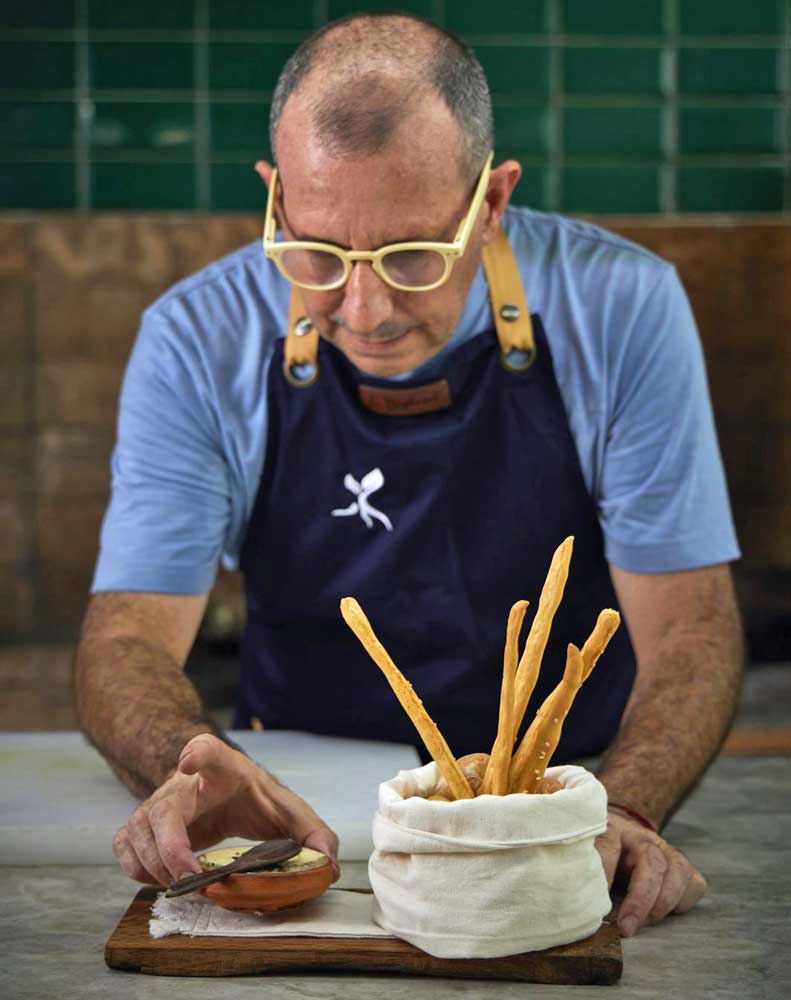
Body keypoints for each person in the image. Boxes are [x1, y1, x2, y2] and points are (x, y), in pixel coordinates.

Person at [74, 13, 744, 939]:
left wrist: (624, 809)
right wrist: (188, 761)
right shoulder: (194, 339)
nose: (365, 309)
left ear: (492, 201)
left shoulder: (622, 308)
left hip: (563, 803)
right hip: (298, 812)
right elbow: (123, 639)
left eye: (412, 256)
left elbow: (690, 629)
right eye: (318, 252)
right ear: (274, 199)